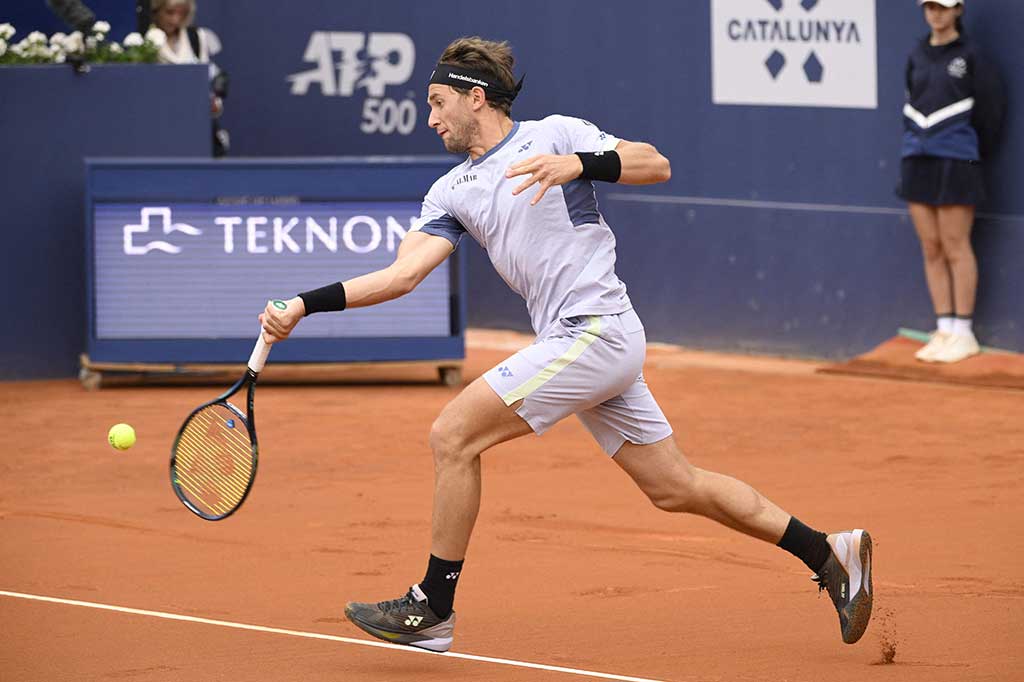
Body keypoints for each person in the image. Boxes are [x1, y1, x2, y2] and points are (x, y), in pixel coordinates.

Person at [260, 36, 874, 653]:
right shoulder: (451, 191)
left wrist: (581, 163)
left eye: (438, 102)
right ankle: (829, 551)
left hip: (596, 329)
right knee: (674, 487)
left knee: (453, 435)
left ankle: (433, 607)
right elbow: (401, 276)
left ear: (476, 98)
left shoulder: (554, 134)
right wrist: (305, 303)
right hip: (580, 342)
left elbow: (654, 163)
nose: (431, 118)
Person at [899, 0, 1005, 363]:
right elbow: (909, 103)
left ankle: (964, 331)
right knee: (930, 246)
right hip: (917, 159)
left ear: (958, 10)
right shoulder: (916, 53)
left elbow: (991, 115)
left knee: (955, 243)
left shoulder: (973, 55)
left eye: (943, 8)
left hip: (958, 160)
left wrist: (969, 152)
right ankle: (944, 329)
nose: (936, 14)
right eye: (930, 7)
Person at [150, 0, 229, 156]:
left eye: (182, 13)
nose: (175, 20)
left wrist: (214, 101)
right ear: (156, 11)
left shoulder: (196, 37)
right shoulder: (145, 39)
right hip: (160, 125)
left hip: (195, 124)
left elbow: (208, 77)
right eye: (170, 12)